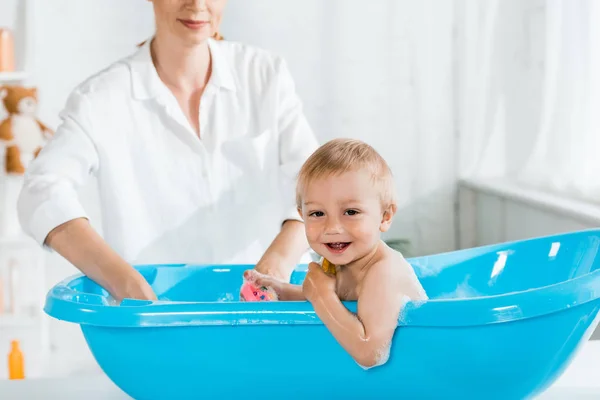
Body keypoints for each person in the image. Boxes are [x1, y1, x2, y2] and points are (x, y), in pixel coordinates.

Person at [16, 0, 319, 303]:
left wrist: (274, 267)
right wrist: (124, 281)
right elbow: (40, 192)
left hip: (267, 318)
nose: (197, 4)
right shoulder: (101, 99)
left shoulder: (265, 76)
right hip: (156, 322)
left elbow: (320, 187)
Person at [244, 138, 429, 369]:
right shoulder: (343, 258)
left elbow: (370, 353)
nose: (332, 228)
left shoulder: (383, 270)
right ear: (301, 214)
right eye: (317, 213)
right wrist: (280, 290)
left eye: (351, 212)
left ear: (385, 216)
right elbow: (337, 298)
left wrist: (322, 295)